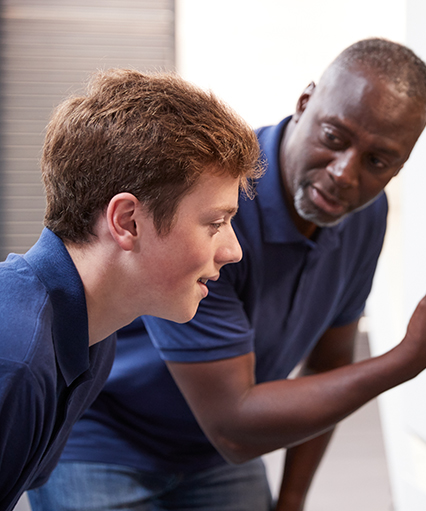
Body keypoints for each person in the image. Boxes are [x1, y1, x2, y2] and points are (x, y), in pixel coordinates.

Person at [31, 39, 426, 511]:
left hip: (215, 454)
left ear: (400, 166)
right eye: (334, 138)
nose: (344, 173)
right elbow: (234, 425)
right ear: (304, 103)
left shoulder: (362, 214)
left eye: (378, 161)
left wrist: (292, 499)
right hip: (106, 440)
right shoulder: (214, 196)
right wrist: (410, 355)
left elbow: (330, 362)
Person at [0, 68, 261, 511]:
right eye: (215, 224)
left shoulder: (91, 333)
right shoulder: (18, 359)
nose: (233, 250)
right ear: (127, 221)